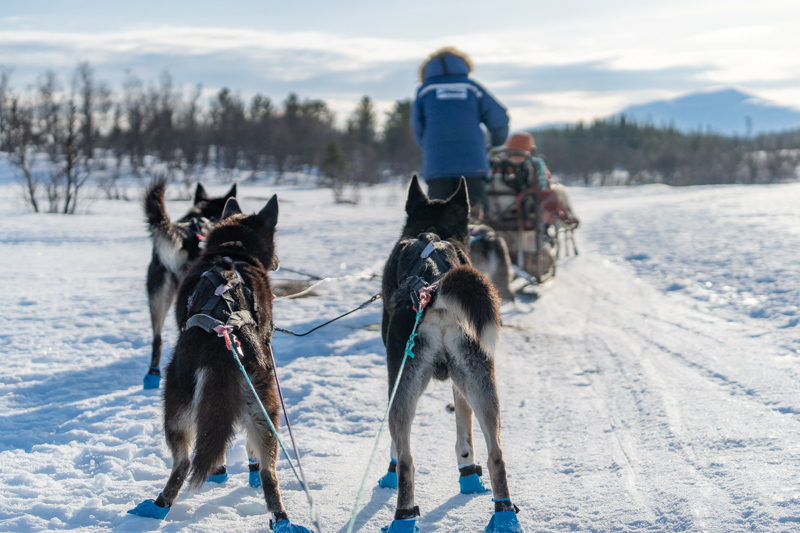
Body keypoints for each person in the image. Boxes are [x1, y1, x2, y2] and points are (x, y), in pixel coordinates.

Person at [411, 47, 509, 211]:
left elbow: (417, 128)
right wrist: (497, 143)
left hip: (437, 165)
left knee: (439, 219)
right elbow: (499, 119)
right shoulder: (472, 88)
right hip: (473, 164)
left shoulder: (424, 92)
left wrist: (430, 147)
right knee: (475, 217)